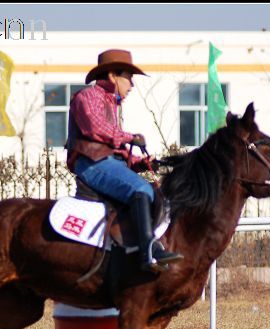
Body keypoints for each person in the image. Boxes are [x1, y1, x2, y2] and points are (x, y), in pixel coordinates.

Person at [65, 49, 182, 273]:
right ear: (112, 76)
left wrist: (139, 162)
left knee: (153, 190)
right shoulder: (87, 97)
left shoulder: (112, 103)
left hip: (105, 162)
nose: (132, 85)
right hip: (91, 164)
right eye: (128, 78)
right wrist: (131, 137)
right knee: (141, 189)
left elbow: (113, 147)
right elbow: (96, 129)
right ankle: (146, 252)